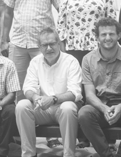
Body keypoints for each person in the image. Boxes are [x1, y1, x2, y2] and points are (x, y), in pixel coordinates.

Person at [56, 0, 117, 149]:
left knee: (101, 91)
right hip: (74, 50)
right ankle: (82, 135)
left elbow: (112, 22)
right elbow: (61, 24)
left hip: (98, 50)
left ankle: (106, 135)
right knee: (78, 93)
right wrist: (63, 48)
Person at [3, 0, 63, 101]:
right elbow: (7, 13)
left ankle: (43, 120)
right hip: (18, 43)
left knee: (46, 85)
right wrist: (3, 39)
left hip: (44, 45)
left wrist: (61, 39)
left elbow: (62, 13)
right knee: (18, 88)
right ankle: (22, 120)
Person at [15, 27, 82, 157]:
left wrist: (53, 99)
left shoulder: (71, 61)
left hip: (63, 108)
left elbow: (75, 93)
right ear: (39, 47)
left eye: (52, 44)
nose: (49, 48)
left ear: (59, 44)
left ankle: (69, 154)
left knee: (68, 107)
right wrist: (35, 98)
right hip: (42, 108)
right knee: (22, 105)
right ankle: (28, 154)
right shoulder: (35, 62)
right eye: (44, 45)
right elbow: (28, 87)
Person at [78, 18, 121, 157]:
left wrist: (119, 107)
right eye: (103, 34)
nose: (107, 38)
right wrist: (104, 109)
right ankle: (106, 154)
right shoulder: (87, 59)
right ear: (97, 37)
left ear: (118, 35)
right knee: (84, 113)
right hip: (100, 105)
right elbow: (89, 95)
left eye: (111, 34)